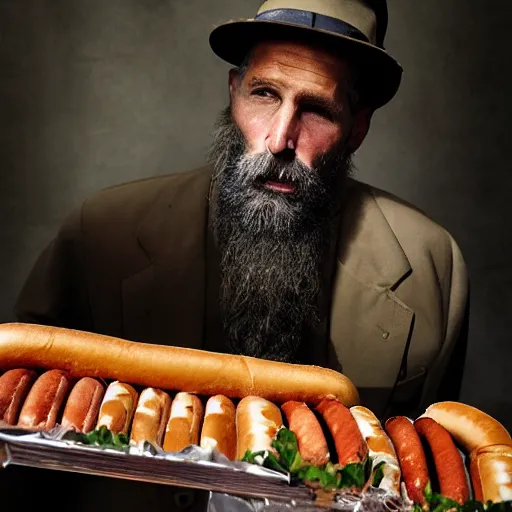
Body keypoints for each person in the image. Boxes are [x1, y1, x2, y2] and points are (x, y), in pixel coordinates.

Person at [14, 0, 469, 422]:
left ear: (357, 128)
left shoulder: (431, 269)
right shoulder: (99, 233)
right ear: (234, 93)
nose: (278, 140)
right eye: (265, 94)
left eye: (316, 110)